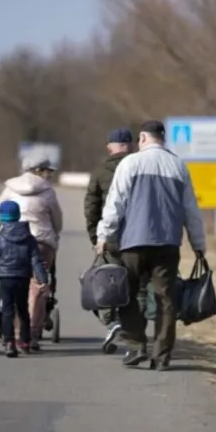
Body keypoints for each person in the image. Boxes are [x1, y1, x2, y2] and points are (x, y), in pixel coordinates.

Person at [96, 120, 207, 371]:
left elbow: (116, 203)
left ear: (143, 138)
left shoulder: (130, 163)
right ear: (163, 138)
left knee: (127, 295)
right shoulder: (179, 165)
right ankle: (161, 355)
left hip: (133, 242)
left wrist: (104, 235)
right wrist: (198, 243)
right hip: (167, 243)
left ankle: (136, 346)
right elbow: (191, 210)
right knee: (167, 299)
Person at [0, 153, 63, 351]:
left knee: (15, 285)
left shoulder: (9, 189)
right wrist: (53, 236)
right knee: (38, 287)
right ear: (39, 171)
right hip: (41, 243)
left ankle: (15, 333)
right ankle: (32, 333)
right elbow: (57, 220)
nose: (49, 175)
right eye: (47, 171)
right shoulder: (48, 192)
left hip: (10, 243)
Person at [84, 128, 141, 354]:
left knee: (103, 282)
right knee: (138, 286)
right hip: (140, 237)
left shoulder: (100, 172)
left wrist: (96, 237)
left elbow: (91, 208)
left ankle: (111, 321)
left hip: (111, 239)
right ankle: (137, 335)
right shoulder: (141, 168)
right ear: (132, 145)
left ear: (110, 146)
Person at [0, 200, 50, 358]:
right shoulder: (29, 238)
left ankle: (9, 342)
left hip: (5, 278)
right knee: (22, 309)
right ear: (18, 215)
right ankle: (25, 341)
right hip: (22, 277)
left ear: (2, 217)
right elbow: (36, 261)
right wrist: (43, 280)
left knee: (7, 309)